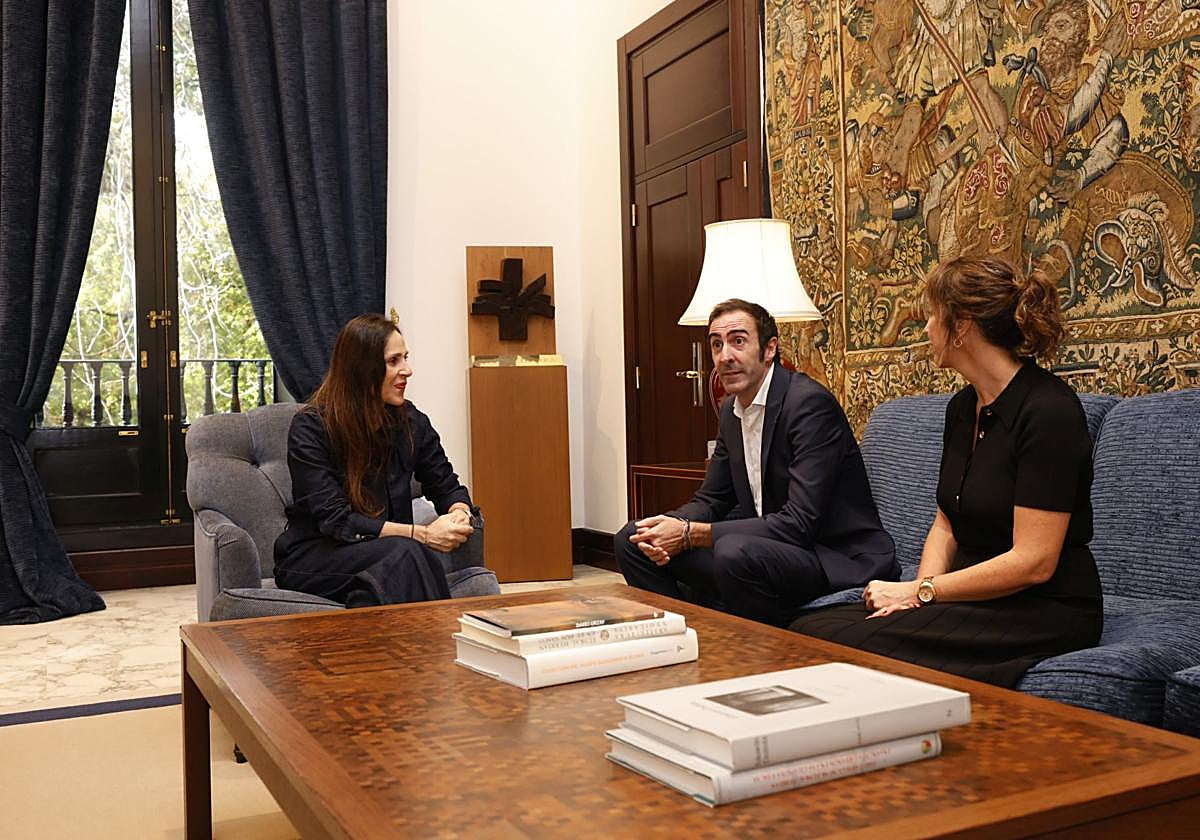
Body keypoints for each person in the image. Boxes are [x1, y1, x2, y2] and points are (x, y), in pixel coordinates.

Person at [790, 257, 1103, 688]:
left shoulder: (1048, 411)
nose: (925, 329)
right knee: (806, 630)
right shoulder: (962, 408)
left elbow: (1034, 562)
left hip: (1043, 607)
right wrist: (918, 594)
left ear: (961, 326)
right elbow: (946, 524)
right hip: (967, 596)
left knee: (842, 645)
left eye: (933, 316)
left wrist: (922, 592)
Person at [615, 298, 897, 627]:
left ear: (769, 349)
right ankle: (687, 634)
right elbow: (712, 499)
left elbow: (799, 523)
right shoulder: (731, 413)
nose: (725, 356)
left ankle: (767, 647)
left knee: (735, 552)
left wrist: (692, 534)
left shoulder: (808, 406)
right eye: (717, 345)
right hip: (763, 552)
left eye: (738, 341)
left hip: (831, 554)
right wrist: (666, 526)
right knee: (632, 539)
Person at [274, 313, 477, 607]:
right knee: (407, 552)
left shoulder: (412, 422)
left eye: (406, 358)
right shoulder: (311, 427)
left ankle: (380, 631)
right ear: (363, 369)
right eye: (394, 361)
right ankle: (448, 645)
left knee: (375, 588)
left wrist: (459, 512)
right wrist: (421, 534)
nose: (407, 370)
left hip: (388, 555)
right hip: (314, 557)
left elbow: (446, 485)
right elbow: (336, 520)